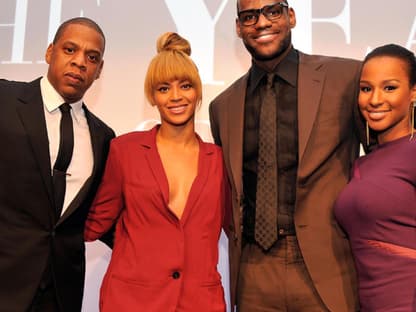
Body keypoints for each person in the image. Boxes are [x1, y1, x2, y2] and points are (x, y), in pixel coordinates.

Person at [209, 0, 362, 311]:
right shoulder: (222, 107)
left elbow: (381, 159)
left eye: (272, 11)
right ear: (239, 28)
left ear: (290, 16)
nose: (261, 22)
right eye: (249, 16)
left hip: (328, 266)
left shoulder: (346, 78)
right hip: (253, 271)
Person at [84, 32, 230, 312]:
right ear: (152, 96)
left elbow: (237, 228)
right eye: (163, 88)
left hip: (200, 303)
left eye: (185, 86)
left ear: (197, 90)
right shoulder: (124, 150)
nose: (176, 97)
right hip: (131, 301)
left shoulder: (220, 160)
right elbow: (95, 223)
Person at [0, 17, 115, 312]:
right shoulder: (5, 99)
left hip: (61, 293)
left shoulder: (104, 137)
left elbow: (100, 217)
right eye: (70, 50)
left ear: (99, 70)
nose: (79, 63)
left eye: (92, 57)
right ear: (50, 52)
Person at [334, 44, 416, 311]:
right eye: (366, 88)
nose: (375, 99)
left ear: (413, 92)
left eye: (390, 87)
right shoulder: (362, 163)